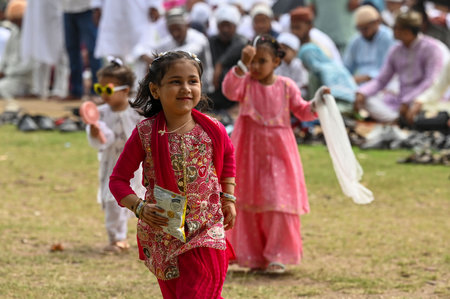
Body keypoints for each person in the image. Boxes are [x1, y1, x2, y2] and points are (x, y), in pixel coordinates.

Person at [109, 51, 237, 298]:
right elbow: (118, 181)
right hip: (163, 233)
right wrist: (140, 207)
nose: (185, 88)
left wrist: (228, 197)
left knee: (197, 292)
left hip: (207, 229)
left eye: (192, 81)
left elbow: (229, 158)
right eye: (175, 81)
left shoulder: (213, 130)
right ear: (155, 90)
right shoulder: (145, 133)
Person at [222, 34, 329, 273]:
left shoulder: (286, 87)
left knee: (278, 201)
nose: (256, 67)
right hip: (249, 151)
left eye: (262, 61)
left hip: (279, 152)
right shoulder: (246, 84)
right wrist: (240, 65)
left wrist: (318, 102)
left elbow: (303, 111)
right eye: (253, 61)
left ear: (276, 62)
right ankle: (253, 255)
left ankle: (277, 254)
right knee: (250, 200)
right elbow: (229, 90)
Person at [86, 58, 145, 253]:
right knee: (113, 200)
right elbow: (100, 138)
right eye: (99, 89)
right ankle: (117, 238)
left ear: (125, 90)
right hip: (112, 163)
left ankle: (149, 237)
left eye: (108, 90)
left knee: (140, 198)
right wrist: (95, 133)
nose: (104, 95)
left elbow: (143, 136)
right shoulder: (100, 113)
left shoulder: (137, 113)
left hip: (136, 165)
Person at [354, 10, 444, 123]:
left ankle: (404, 120)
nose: (393, 31)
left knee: (423, 111)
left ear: (407, 31)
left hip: (420, 100)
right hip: (399, 101)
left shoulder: (431, 49)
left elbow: (430, 82)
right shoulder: (396, 50)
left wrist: (408, 100)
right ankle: (397, 120)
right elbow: (381, 80)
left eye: (396, 28)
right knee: (367, 100)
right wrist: (363, 92)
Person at [157, 7, 214, 94]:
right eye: (171, 30)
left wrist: (161, 57)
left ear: (187, 26)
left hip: (202, 89)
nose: (175, 33)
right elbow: (146, 49)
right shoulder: (167, 42)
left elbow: (186, 53)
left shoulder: (199, 38)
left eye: (178, 29)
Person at [208, 3, 247, 111]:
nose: (225, 30)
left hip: (234, 95)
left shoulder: (241, 41)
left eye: (228, 26)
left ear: (235, 26)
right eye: (222, 25)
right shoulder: (212, 41)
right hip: (214, 93)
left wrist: (220, 65)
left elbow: (238, 47)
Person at [344, 5, 396, 85]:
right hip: (360, 86)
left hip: (383, 84)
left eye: (365, 28)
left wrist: (366, 77)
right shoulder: (356, 40)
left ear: (377, 22)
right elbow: (346, 67)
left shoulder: (389, 38)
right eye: (360, 29)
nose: (363, 32)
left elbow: (389, 69)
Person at [62, 0, 102, 101]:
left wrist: (98, 7)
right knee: (72, 49)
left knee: (93, 50)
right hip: (67, 8)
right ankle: (76, 91)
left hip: (87, 8)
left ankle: (96, 92)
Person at [0, 0, 32, 112]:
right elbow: (6, 54)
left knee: (2, 88)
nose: (16, 22)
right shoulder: (14, 31)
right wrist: (2, 69)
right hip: (9, 75)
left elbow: (31, 64)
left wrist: (7, 72)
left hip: (24, 78)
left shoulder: (32, 34)